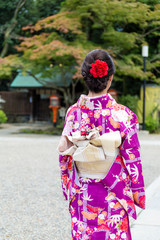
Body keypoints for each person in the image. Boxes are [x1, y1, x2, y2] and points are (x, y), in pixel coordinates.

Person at [58, 49, 145, 240]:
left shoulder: (73, 113)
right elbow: (133, 160)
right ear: (110, 78)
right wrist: (137, 194)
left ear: (85, 77)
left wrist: (68, 188)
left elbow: (64, 156)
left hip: (82, 194)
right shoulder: (124, 115)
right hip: (114, 194)